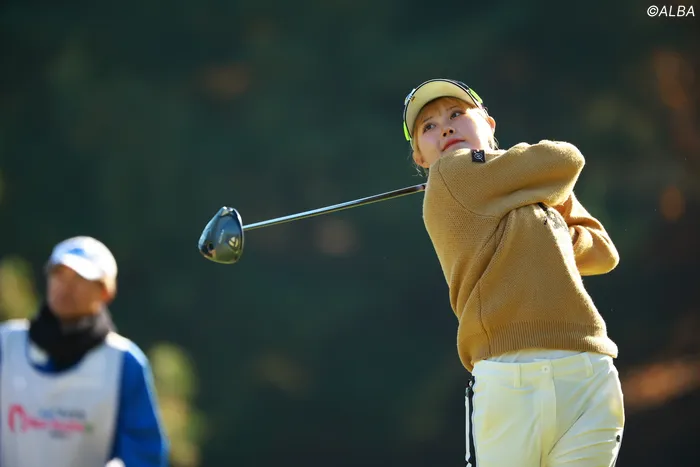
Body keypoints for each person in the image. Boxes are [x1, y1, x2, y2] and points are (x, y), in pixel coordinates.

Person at [402, 79, 625, 467]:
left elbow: (603, 252)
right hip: (510, 378)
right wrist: (537, 188)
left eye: (457, 114)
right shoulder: (449, 173)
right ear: (421, 157)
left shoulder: (517, 185)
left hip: (587, 371)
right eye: (429, 126)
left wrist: (534, 204)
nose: (446, 129)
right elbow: (564, 158)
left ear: (488, 123)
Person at [0, 236, 169, 467]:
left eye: (80, 278)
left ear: (106, 292)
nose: (65, 286)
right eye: (59, 274)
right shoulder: (6, 343)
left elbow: (143, 456)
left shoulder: (125, 362)